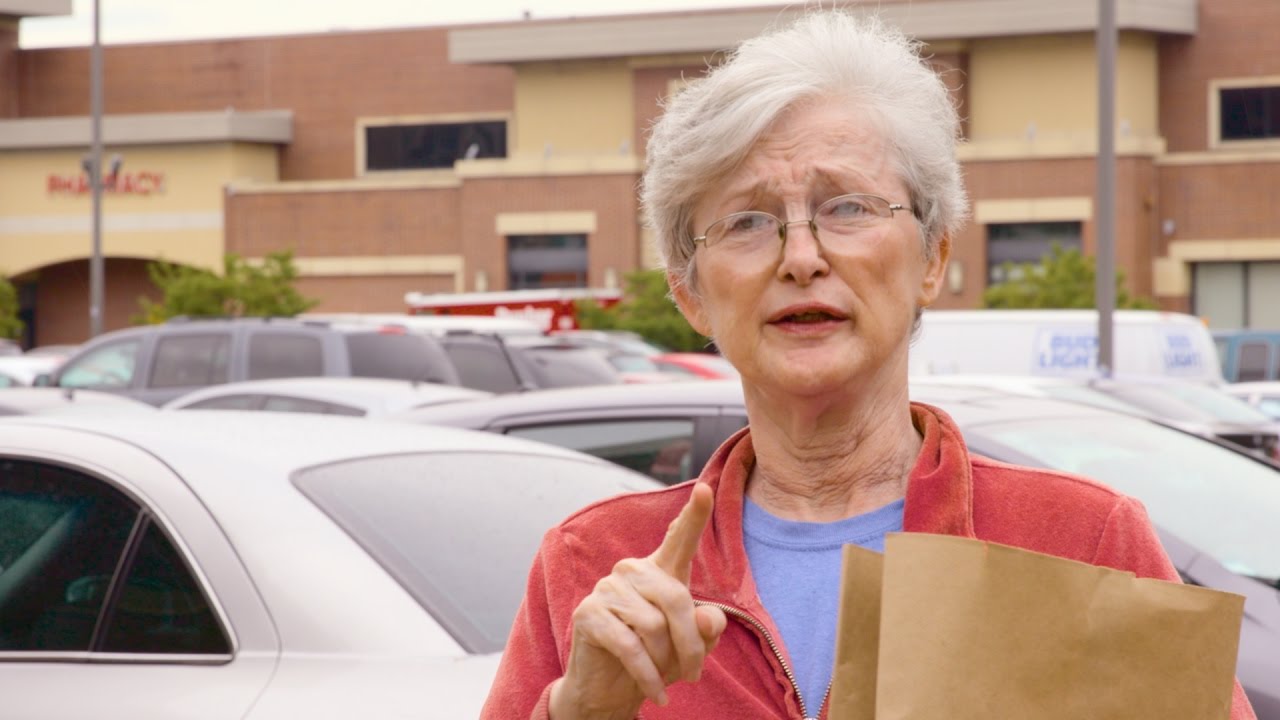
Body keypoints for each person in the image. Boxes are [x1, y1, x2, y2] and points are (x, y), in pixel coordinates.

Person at [481, 11, 1257, 720]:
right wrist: (574, 712)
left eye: (846, 207)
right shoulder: (593, 567)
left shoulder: (1080, 540)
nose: (801, 257)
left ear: (933, 256)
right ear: (689, 292)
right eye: (747, 222)